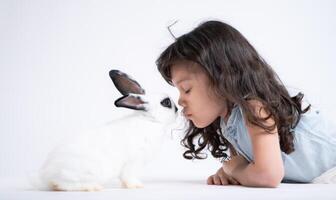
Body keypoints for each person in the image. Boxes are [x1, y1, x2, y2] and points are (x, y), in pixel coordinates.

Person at [156, 20, 336, 187]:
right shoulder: (228, 122)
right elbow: (250, 164)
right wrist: (230, 171)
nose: (180, 100)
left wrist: (233, 169)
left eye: (186, 89)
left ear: (221, 79)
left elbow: (267, 175)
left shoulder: (255, 108)